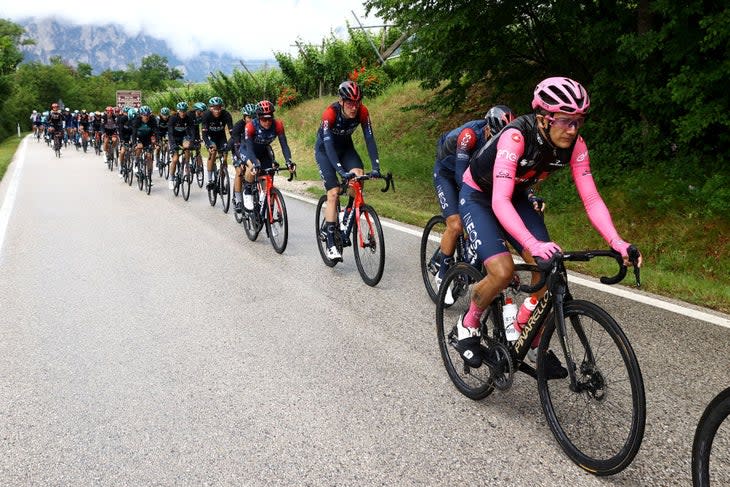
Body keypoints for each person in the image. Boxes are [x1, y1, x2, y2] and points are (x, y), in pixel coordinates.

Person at [455, 76, 642, 376]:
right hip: (479, 195)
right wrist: (532, 243)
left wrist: (617, 241)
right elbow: (498, 200)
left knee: (550, 267)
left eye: (578, 121)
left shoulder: (576, 145)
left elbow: (591, 198)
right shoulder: (516, 137)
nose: (573, 129)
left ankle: (524, 331)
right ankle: (469, 323)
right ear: (544, 118)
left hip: (514, 195)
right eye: (566, 120)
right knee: (502, 271)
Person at [432, 105, 517, 303]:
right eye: (494, 138)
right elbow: (461, 176)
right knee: (456, 224)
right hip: (448, 172)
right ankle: (442, 274)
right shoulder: (469, 135)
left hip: (473, 175)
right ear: (488, 129)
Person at [314, 80, 382, 261]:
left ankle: (345, 217)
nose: (354, 107)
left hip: (346, 149)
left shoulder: (362, 112)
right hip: (325, 151)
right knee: (334, 192)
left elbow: (370, 139)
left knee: (358, 177)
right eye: (350, 103)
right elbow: (328, 146)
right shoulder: (330, 113)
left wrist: (376, 167)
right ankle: (330, 243)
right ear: (341, 101)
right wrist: (340, 171)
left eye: (357, 102)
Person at [239, 100, 293, 212]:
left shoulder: (278, 125)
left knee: (269, 174)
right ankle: (247, 191)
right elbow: (249, 149)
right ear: (258, 117)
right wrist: (255, 163)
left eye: (270, 118)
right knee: (252, 166)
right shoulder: (250, 126)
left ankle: (264, 200)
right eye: (264, 119)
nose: (267, 122)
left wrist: (288, 161)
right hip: (247, 150)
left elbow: (284, 145)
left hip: (263, 151)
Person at [201, 96, 233, 189]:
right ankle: (210, 179)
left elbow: (232, 131)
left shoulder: (226, 114)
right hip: (210, 137)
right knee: (213, 151)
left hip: (221, 137)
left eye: (219, 108)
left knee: (225, 157)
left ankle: (222, 180)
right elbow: (204, 134)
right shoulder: (206, 115)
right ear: (211, 108)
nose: (217, 110)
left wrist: (235, 141)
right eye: (215, 108)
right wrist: (208, 144)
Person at [231, 103, 257, 211]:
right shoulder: (238, 126)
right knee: (240, 172)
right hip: (238, 150)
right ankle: (238, 200)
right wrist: (241, 161)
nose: (251, 120)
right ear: (244, 117)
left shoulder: (257, 125)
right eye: (249, 117)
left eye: (254, 117)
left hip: (250, 151)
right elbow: (236, 145)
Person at [167, 102, 195, 190]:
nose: (182, 113)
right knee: (175, 159)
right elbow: (170, 133)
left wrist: (192, 141)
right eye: (181, 111)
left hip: (183, 137)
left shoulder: (188, 118)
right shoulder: (173, 118)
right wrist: (173, 144)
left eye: (184, 111)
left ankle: (186, 165)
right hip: (174, 138)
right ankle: (171, 178)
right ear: (178, 111)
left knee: (187, 148)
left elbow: (192, 131)